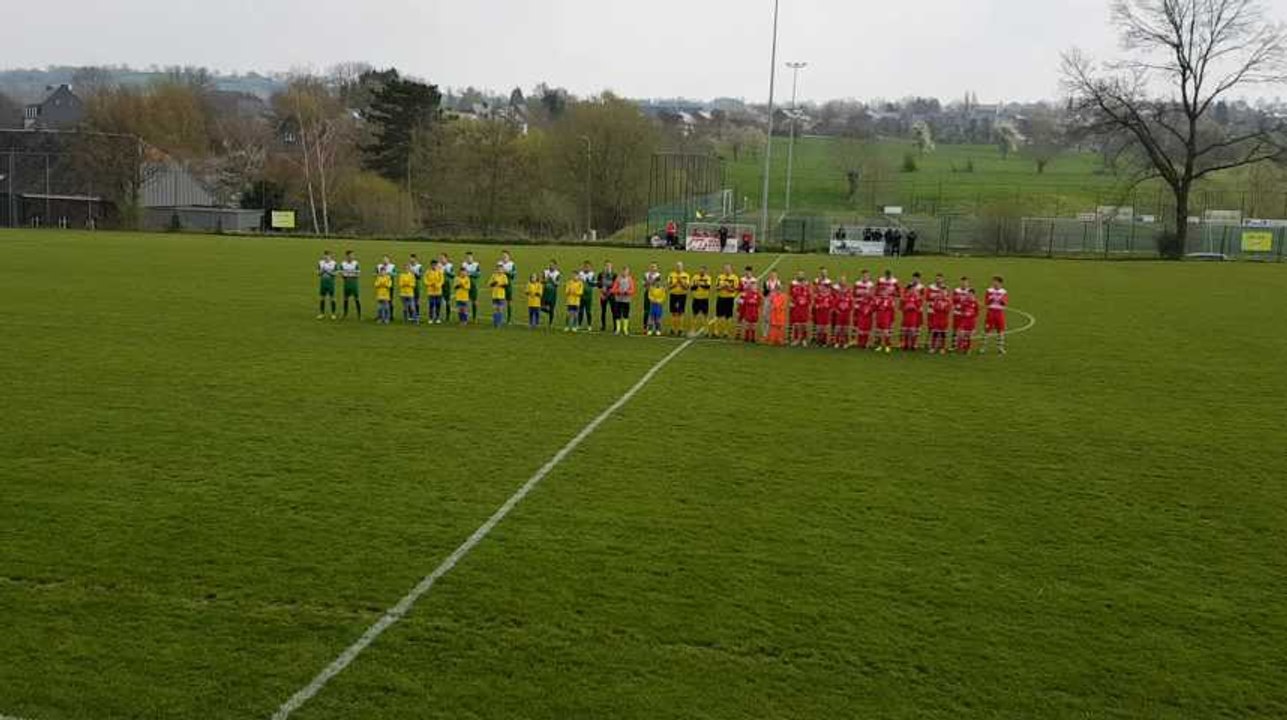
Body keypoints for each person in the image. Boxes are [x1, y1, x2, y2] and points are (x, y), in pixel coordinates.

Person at [982, 276, 1009, 355]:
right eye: (993, 282)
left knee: (1000, 330)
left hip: (999, 312)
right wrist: (991, 299)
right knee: (986, 330)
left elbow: (1005, 303)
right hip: (991, 312)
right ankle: (983, 347)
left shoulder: (1004, 292)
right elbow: (986, 302)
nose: (994, 283)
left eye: (995, 282)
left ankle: (1000, 348)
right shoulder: (989, 291)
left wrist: (1001, 300)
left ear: (1000, 283)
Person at [926, 275, 952, 355]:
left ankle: (942, 348)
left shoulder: (948, 301)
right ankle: (933, 347)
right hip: (937, 318)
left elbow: (948, 309)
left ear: (946, 293)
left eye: (944, 292)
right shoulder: (937, 300)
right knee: (935, 333)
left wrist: (942, 308)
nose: (942, 293)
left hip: (944, 319)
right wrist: (941, 307)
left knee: (943, 333)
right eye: (941, 292)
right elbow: (935, 308)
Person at [715, 263, 740, 339]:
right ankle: (717, 331)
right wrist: (722, 286)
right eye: (725, 269)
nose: (727, 270)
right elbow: (716, 288)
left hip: (729, 298)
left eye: (728, 269)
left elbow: (735, 289)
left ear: (731, 269)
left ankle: (726, 331)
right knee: (718, 315)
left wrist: (728, 287)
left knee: (728, 316)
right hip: (721, 297)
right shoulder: (720, 277)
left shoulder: (735, 278)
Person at [610, 266, 636, 335]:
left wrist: (627, 292)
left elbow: (633, 289)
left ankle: (625, 329)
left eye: (626, 271)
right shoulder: (618, 279)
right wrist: (618, 291)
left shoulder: (630, 279)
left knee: (626, 314)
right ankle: (618, 329)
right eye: (623, 271)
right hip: (618, 299)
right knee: (617, 314)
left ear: (628, 272)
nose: (624, 273)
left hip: (626, 300)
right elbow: (613, 289)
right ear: (622, 272)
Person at [853, 270, 875, 349]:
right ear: (861, 276)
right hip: (858, 306)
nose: (865, 277)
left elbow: (872, 295)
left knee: (866, 325)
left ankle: (866, 342)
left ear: (868, 277)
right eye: (864, 276)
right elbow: (854, 294)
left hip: (867, 307)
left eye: (867, 276)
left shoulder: (871, 284)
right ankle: (855, 340)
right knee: (856, 323)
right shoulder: (857, 283)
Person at [666, 261, 690, 336]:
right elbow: (669, 286)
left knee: (681, 312)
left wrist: (681, 282)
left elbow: (686, 287)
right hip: (673, 294)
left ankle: (680, 329)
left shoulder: (686, 275)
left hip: (682, 295)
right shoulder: (671, 275)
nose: (678, 268)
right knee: (673, 312)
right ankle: (673, 329)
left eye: (680, 266)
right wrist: (676, 283)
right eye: (677, 266)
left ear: (682, 267)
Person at [789, 270, 812, 347]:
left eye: (802, 274)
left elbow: (809, 298)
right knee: (796, 324)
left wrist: (808, 304)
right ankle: (796, 339)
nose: (800, 275)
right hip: (797, 308)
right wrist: (792, 303)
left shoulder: (807, 287)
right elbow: (792, 296)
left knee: (804, 324)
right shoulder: (795, 288)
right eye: (799, 274)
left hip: (804, 308)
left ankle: (804, 339)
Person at [900, 279, 925, 351]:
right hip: (906, 316)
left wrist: (914, 307)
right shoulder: (904, 297)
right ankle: (905, 344)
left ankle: (913, 345)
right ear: (908, 290)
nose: (912, 291)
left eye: (913, 289)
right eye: (911, 289)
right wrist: (906, 307)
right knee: (905, 330)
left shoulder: (917, 298)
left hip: (914, 316)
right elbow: (901, 307)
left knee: (912, 330)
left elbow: (919, 306)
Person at [737, 279, 763, 343]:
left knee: (753, 324)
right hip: (748, 311)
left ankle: (753, 338)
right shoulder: (747, 294)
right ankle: (747, 337)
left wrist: (753, 302)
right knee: (747, 324)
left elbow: (760, 303)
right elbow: (744, 302)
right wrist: (740, 301)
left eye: (755, 286)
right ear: (750, 287)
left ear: (756, 287)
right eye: (752, 286)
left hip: (754, 311)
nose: (753, 287)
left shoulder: (758, 295)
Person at [956, 287, 980, 354]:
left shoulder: (975, 302)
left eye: (971, 294)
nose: (970, 295)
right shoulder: (964, 302)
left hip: (971, 321)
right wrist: (965, 314)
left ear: (974, 295)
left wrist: (972, 314)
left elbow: (977, 312)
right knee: (961, 334)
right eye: (969, 294)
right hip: (964, 321)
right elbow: (961, 310)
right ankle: (960, 347)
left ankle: (968, 349)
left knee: (969, 335)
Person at [690, 265, 712, 337]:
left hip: (704, 298)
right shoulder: (695, 277)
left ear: (705, 271)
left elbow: (707, 287)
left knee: (705, 315)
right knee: (694, 315)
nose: (701, 271)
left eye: (703, 270)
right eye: (701, 270)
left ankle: (706, 330)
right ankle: (693, 330)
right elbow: (692, 288)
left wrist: (699, 284)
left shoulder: (708, 278)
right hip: (696, 298)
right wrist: (698, 285)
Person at [339, 250, 362, 320]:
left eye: (353, 255)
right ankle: (345, 314)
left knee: (357, 299)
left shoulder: (356, 263)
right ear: (347, 256)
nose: (352, 257)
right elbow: (341, 273)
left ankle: (359, 315)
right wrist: (350, 274)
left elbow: (358, 274)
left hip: (354, 283)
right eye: (350, 255)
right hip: (346, 283)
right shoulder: (343, 264)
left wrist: (348, 274)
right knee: (345, 298)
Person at [952, 276, 972, 351]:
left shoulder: (970, 291)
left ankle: (964, 346)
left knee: (964, 330)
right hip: (957, 312)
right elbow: (953, 300)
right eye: (962, 282)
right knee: (955, 329)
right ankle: (953, 345)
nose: (963, 284)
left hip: (965, 315)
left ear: (968, 283)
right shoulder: (956, 290)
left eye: (965, 282)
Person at [832, 277, 853, 348]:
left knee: (846, 329)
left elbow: (851, 304)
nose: (842, 283)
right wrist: (836, 310)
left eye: (844, 281)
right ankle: (837, 342)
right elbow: (835, 304)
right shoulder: (838, 294)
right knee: (838, 328)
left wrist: (849, 310)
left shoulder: (848, 294)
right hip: (839, 313)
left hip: (846, 314)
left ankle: (845, 342)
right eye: (841, 281)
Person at [317, 250, 338, 320]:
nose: (326, 257)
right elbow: (318, 273)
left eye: (328, 256)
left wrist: (328, 272)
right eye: (325, 255)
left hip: (330, 282)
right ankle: (322, 313)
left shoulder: (334, 263)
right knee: (322, 297)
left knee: (332, 298)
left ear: (330, 256)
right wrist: (322, 271)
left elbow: (336, 273)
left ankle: (333, 314)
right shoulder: (320, 263)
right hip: (323, 282)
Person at [598, 261, 618, 333]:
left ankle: (615, 327)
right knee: (603, 311)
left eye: (609, 266)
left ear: (611, 267)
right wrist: (601, 290)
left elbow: (615, 285)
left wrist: (609, 291)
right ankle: (603, 326)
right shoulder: (601, 274)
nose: (607, 267)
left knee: (614, 311)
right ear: (604, 267)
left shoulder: (614, 275)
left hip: (612, 295)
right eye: (606, 266)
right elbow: (599, 284)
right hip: (603, 295)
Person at [488, 262, 509, 329]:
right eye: (498, 269)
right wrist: (493, 283)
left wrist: (499, 284)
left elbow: (506, 285)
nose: (499, 270)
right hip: (494, 295)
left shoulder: (504, 276)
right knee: (495, 309)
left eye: (501, 269)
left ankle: (499, 323)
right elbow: (489, 284)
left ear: (503, 270)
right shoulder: (494, 276)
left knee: (500, 309)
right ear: (496, 270)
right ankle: (495, 322)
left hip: (501, 296)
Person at [423, 259, 445, 324]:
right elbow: (425, 280)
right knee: (431, 304)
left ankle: (437, 318)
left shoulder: (439, 272)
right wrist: (430, 284)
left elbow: (442, 280)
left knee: (438, 304)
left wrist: (438, 285)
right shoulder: (428, 272)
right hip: (431, 291)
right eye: (433, 265)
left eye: (435, 265)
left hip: (438, 291)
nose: (434, 266)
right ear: (431, 265)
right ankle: (430, 318)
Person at [462, 252, 482, 323]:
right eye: (467, 257)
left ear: (472, 258)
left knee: (474, 301)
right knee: (465, 301)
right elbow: (461, 273)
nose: (469, 259)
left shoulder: (476, 264)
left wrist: (470, 274)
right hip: (465, 285)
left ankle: (474, 317)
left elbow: (479, 274)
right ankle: (465, 317)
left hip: (473, 285)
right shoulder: (464, 264)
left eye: (470, 257)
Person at [576, 261, 597, 330]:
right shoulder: (580, 274)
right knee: (580, 310)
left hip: (588, 295)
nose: (586, 268)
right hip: (581, 295)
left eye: (587, 267)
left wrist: (590, 282)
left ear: (590, 267)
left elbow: (595, 284)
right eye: (585, 267)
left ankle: (589, 325)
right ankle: (579, 324)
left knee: (588, 311)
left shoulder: (592, 274)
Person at [541, 260, 562, 327]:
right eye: (550, 265)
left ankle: (550, 323)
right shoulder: (545, 272)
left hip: (553, 293)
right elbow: (541, 280)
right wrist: (545, 280)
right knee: (541, 307)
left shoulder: (557, 274)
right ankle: (549, 312)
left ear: (555, 266)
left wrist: (552, 280)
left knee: (552, 307)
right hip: (545, 292)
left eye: (552, 265)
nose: (551, 266)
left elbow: (557, 284)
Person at [499, 251, 517, 323]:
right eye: (503, 256)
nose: (504, 258)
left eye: (505, 256)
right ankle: (500, 318)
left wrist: (506, 272)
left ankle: (509, 319)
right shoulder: (499, 263)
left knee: (509, 302)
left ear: (509, 257)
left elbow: (513, 274)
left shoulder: (512, 264)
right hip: (500, 285)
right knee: (500, 302)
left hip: (508, 285)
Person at [409, 253, 425, 322]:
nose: (411, 260)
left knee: (416, 301)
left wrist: (414, 273)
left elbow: (420, 277)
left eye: (412, 258)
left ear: (415, 259)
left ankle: (417, 315)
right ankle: (411, 315)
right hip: (410, 285)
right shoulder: (409, 266)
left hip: (417, 285)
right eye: (410, 258)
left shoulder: (419, 266)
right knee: (410, 300)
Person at [439, 253, 455, 321]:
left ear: (446, 258)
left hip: (446, 284)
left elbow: (453, 275)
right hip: (439, 284)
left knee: (447, 300)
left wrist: (446, 272)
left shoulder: (450, 266)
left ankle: (447, 316)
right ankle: (438, 315)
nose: (441, 259)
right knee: (438, 300)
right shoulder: (438, 265)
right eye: (440, 258)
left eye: (442, 258)